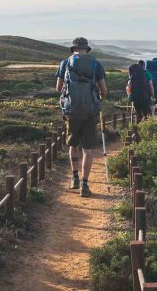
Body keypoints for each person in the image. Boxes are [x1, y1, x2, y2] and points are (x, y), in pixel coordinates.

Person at [55, 37, 108, 197]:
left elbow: (58, 88)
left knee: (73, 145)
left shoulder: (65, 63)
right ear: (86, 49)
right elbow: (104, 89)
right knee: (88, 150)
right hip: (90, 112)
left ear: (73, 49)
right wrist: (98, 99)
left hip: (72, 111)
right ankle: (85, 184)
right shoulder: (96, 64)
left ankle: (74, 177)